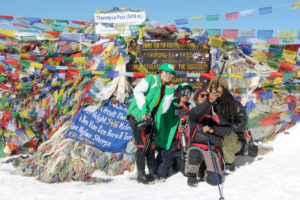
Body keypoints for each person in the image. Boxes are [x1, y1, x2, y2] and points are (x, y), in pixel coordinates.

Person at [126, 63, 177, 184]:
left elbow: (163, 109)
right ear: (160, 72)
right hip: (137, 115)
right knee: (141, 146)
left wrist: (170, 92)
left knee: (150, 146)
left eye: (171, 74)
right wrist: (143, 111)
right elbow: (137, 91)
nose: (169, 76)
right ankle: (141, 174)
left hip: (149, 118)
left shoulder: (164, 87)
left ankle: (153, 172)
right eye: (167, 73)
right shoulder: (151, 79)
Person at [185, 85, 233, 187]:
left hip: (211, 148)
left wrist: (213, 129)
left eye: (207, 96)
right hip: (196, 147)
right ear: (196, 101)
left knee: (214, 180)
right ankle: (192, 175)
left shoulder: (216, 114)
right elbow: (199, 111)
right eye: (202, 95)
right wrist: (209, 101)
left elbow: (228, 130)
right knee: (195, 154)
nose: (205, 97)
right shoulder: (194, 112)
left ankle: (205, 172)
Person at [207, 76, 248, 172]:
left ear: (224, 88)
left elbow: (242, 124)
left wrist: (223, 127)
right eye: (213, 88)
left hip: (234, 139)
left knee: (225, 135)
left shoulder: (235, 105)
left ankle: (229, 163)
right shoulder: (210, 105)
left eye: (219, 87)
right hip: (215, 136)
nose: (216, 90)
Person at [154, 83, 193, 180]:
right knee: (161, 173)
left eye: (189, 92)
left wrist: (185, 128)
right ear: (177, 93)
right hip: (169, 143)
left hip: (183, 144)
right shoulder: (170, 106)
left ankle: (177, 164)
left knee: (187, 172)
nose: (186, 94)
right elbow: (163, 114)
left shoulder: (191, 108)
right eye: (183, 91)